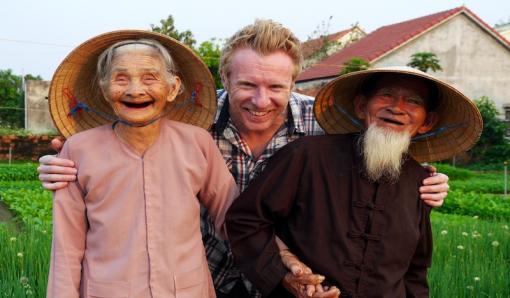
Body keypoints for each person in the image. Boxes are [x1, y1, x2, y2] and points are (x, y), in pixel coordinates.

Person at [38, 20, 450, 297]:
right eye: (248, 84)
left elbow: (382, 146)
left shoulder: (321, 130)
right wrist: (60, 162)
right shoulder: (190, 127)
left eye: (275, 86)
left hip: (285, 285)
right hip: (200, 280)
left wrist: (426, 179)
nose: (260, 99)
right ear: (225, 79)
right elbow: (114, 147)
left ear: (294, 82)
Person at [226, 67, 483, 297]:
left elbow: (415, 271)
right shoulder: (307, 156)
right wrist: (284, 277)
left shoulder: (420, 182)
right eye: (386, 95)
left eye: (413, 101)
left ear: (427, 122)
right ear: (361, 106)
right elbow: (246, 221)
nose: (397, 107)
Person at [46, 30, 239, 297]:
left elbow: (235, 218)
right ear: (103, 89)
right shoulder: (78, 151)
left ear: (172, 88)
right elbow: (66, 248)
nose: (135, 90)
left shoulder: (197, 143)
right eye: (120, 79)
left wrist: (285, 257)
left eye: (150, 78)